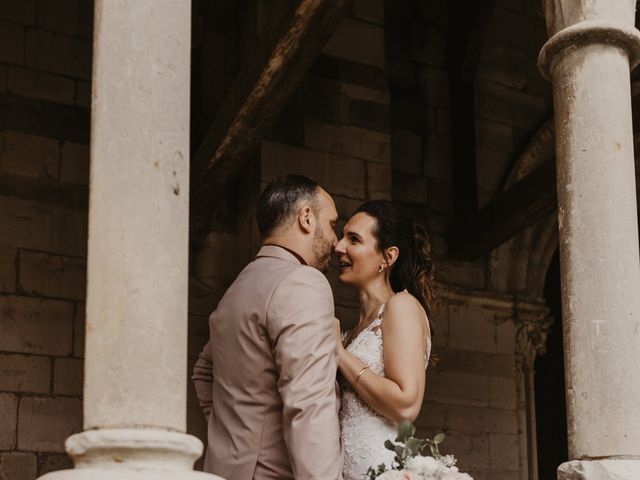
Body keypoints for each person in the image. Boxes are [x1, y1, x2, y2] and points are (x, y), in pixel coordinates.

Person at [192, 175, 343, 479]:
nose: (336, 241)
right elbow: (309, 402)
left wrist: (238, 437)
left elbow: (202, 372)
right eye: (332, 225)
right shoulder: (303, 282)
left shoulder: (239, 287)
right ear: (306, 217)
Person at [334, 200, 435, 480]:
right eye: (342, 236)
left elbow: (406, 406)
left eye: (354, 239)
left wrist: (340, 354)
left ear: (388, 257)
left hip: (381, 471)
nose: (338, 247)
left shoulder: (400, 307)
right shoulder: (352, 329)